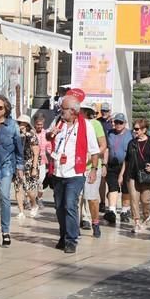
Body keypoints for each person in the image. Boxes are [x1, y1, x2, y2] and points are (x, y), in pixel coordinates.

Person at [50, 94, 100, 253]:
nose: (60, 111)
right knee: (59, 207)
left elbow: (94, 150)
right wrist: (51, 133)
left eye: (63, 109)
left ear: (72, 111)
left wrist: (93, 169)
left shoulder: (86, 126)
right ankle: (63, 235)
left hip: (75, 173)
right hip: (58, 171)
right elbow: (48, 138)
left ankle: (71, 240)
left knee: (70, 204)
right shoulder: (59, 123)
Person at [0, 95, 23, 247]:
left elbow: (19, 148)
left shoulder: (12, 125)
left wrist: (20, 168)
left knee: (4, 197)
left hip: (6, 165)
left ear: (6, 109)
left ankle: (6, 232)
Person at [121, 118, 150, 233]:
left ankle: (146, 216)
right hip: (132, 174)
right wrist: (122, 174)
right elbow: (127, 160)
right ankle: (136, 222)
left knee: (145, 200)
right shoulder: (132, 143)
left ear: (144, 130)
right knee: (134, 198)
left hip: (147, 175)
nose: (135, 131)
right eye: (134, 129)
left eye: (137, 129)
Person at [79, 100, 106, 238]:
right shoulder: (74, 125)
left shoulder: (95, 125)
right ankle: (77, 223)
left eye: (82, 110)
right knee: (75, 198)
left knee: (91, 197)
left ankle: (95, 223)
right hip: (76, 168)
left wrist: (91, 157)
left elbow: (103, 145)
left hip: (91, 167)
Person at [103, 113, 133, 224]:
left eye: (121, 122)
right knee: (112, 187)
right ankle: (112, 211)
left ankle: (125, 211)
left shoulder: (130, 134)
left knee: (126, 189)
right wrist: (104, 165)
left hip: (126, 165)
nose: (118, 124)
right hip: (112, 165)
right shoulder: (109, 133)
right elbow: (106, 148)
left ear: (125, 123)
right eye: (116, 122)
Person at [14, 114, 40, 220]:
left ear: (26, 124)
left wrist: (34, 168)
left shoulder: (32, 135)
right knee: (18, 187)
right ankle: (21, 211)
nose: (19, 124)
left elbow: (36, 152)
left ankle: (34, 204)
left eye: (21, 122)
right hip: (18, 163)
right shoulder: (16, 134)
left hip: (29, 163)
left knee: (29, 189)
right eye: (18, 122)